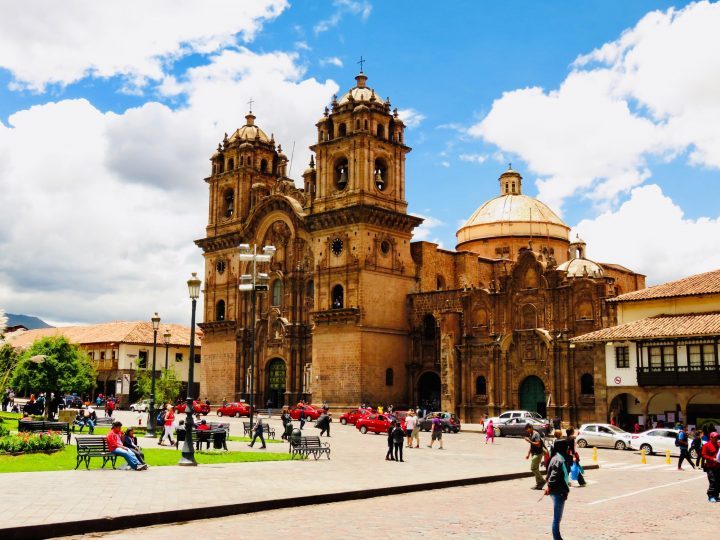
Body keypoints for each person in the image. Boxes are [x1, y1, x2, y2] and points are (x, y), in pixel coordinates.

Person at [545, 438, 571, 540]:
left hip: (559, 491)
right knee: (557, 519)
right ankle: (556, 538)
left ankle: (558, 537)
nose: (568, 448)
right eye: (566, 446)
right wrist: (549, 487)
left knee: (558, 518)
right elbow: (553, 476)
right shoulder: (558, 460)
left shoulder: (557, 457)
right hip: (558, 492)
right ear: (562, 448)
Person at [525, 423, 545, 490]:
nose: (527, 431)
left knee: (533, 468)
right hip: (534, 453)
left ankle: (542, 481)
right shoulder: (531, 434)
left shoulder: (536, 434)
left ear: (530, 428)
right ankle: (538, 484)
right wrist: (528, 454)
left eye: (527, 429)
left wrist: (529, 441)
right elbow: (531, 446)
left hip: (538, 453)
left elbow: (538, 444)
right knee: (536, 468)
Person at [701, 431, 719, 502]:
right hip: (710, 466)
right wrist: (712, 459)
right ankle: (710, 496)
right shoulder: (706, 445)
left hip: (718, 466)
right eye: (715, 437)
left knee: (718, 482)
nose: (716, 438)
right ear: (711, 438)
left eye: (717, 437)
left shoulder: (718, 444)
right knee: (713, 481)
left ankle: (716, 496)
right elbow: (703, 455)